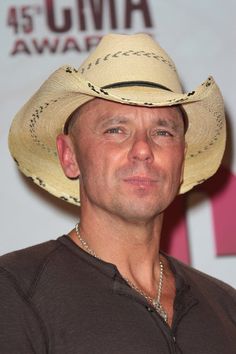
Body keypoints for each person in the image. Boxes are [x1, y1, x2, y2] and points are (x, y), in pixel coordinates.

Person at [1, 33, 235, 353]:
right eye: (116, 129)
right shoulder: (13, 291)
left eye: (162, 132)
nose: (143, 150)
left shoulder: (226, 306)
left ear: (181, 159)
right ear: (69, 155)